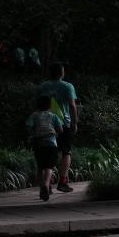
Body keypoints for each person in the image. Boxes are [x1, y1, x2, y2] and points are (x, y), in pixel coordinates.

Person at [38, 62, 78, 193]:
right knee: (66, 152)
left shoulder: (42, 87)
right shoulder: (67, 86)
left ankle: (47, 184)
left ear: (49, 73)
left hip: (46, 124)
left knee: (48, 153)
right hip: (64, 124)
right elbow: (72, 105)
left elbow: (38, 105)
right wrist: (74, 123)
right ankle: (63, 182)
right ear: (62, 72)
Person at [26, 95, 64, 202]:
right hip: (51, 143)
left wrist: (33, 135)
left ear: (37, 105)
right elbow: (60, 129)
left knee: (40, 167)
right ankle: (46, 185)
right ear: (49, 105)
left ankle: (42, 186)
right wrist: (55, 133)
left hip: (38, 144)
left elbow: (28, 127)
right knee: (49, 167)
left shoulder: (33, 115)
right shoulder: (53, 116)